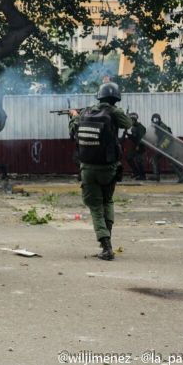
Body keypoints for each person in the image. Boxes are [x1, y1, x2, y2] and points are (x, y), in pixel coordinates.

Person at [69, 82, 132, 261]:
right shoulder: (114, 112)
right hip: (109, 168)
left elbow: (73, 132)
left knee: (96, 207)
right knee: (107, 201)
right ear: (115, 98)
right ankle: (108, 240)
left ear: (99, 97)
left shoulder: (86, 112)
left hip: (88, 168)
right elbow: (127, 123)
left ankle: (106, 247)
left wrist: (73, 115)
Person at [150, 113, 183, 183]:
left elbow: (168, 137)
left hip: (167, 146)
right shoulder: (157, 127)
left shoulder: (162, 126)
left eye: (156, 119)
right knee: (155, 159)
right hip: (163, 147)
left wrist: (162, 146)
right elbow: (160, 138)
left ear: (159, 119)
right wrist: (157, 144)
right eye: (154, 119)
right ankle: (156, 176)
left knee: (172, 163)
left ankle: (181, 176)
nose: (155, 121)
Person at [125, 112, 146, 180]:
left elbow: (141, 138)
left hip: (140, 146)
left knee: (139, 161)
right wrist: (128, 135)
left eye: (131, 120)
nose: (130, 122)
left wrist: (138, 146)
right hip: (135, 146)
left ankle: (142, 176)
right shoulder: (133, 128)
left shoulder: (141, 127)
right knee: (129, 157)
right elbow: (134, 138)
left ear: (134, 120)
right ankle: (136, 172)